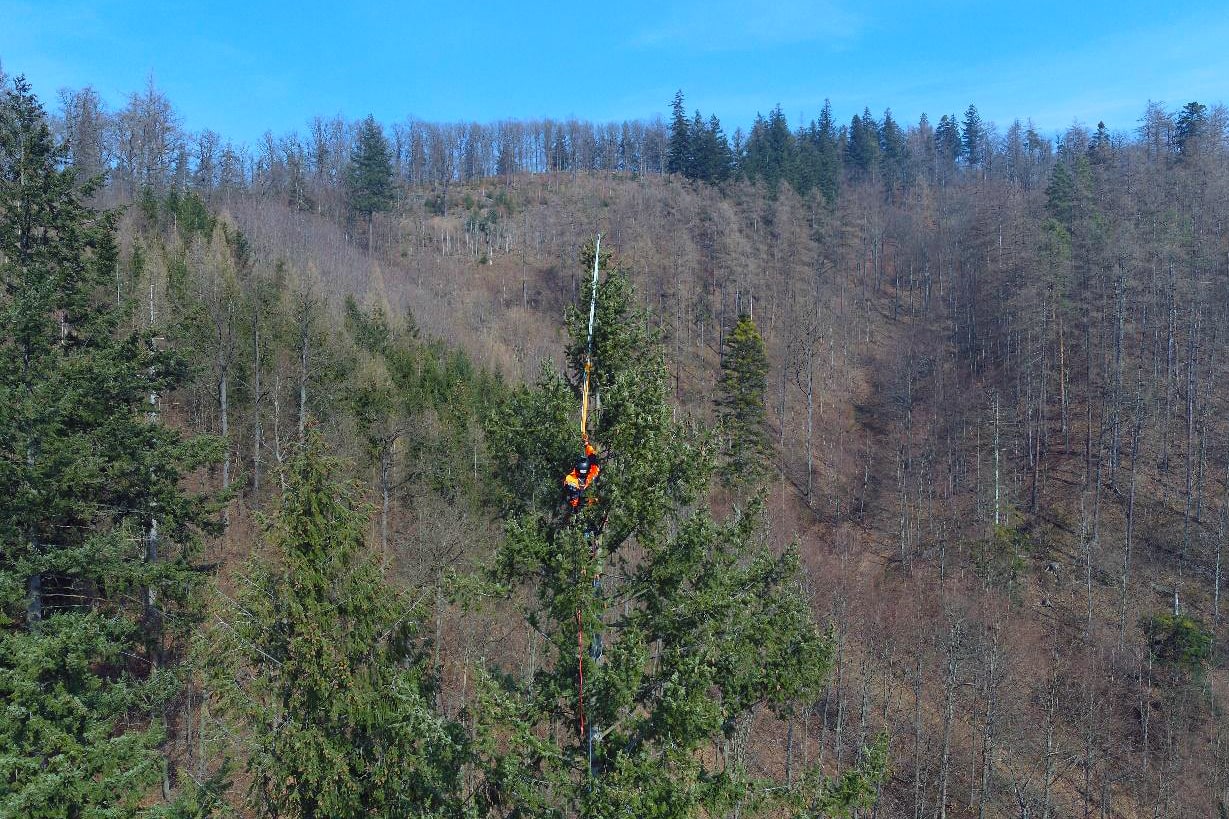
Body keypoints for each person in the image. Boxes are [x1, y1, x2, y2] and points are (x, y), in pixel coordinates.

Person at [563, 442, 601, 509]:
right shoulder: (571, 479)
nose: (582, 482)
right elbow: (574, 498)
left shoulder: (591, 473)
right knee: (575, 496)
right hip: (574, 492)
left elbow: (593, 458)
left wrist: (587, 445)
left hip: (576, 494)